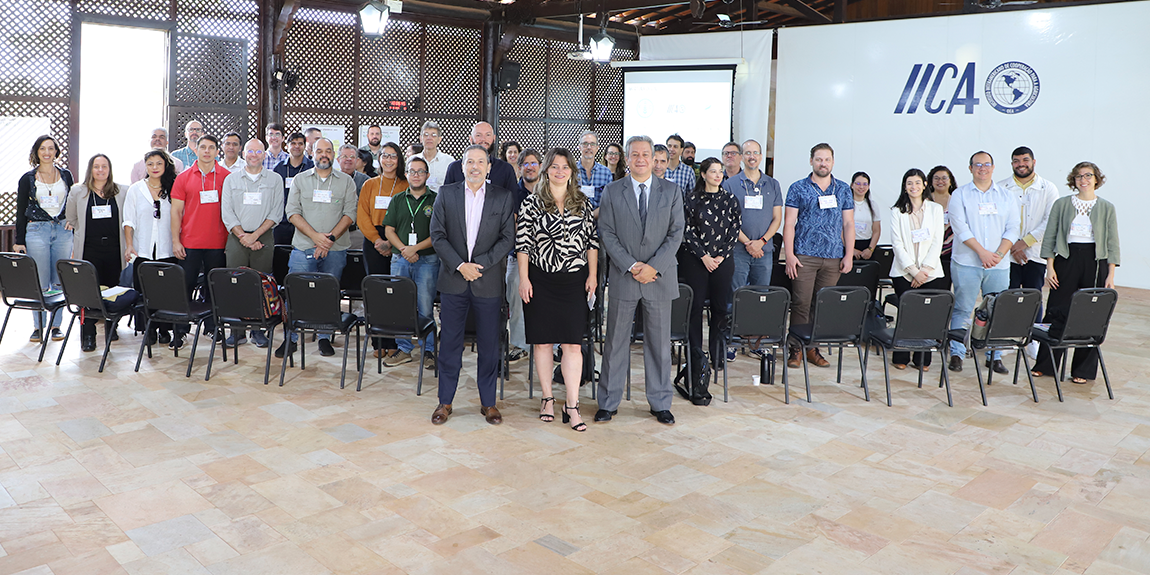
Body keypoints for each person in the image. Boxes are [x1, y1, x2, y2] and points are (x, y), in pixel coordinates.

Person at [597, 135, 685, 426]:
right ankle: (608, 402)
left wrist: (653, 267)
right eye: (634, 154)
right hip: (625, 276)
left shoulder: (671, 191)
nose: (641, 159)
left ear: (654, 157)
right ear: (627, 158)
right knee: (615, 342)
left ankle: (660, 403)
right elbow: (606, 233)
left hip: (658, 278)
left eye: (645, 154)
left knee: (659, 345)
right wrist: (633, 265)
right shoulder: (612, 190)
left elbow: (676, 234)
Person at [428, 145, 517, 426]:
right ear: (462, 165)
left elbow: (507, 238)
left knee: (489, 345)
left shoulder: (502, 197)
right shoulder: (447, 193)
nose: (475, 166)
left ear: (489, 167)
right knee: (450, 343)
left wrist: (478, 265)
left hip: (487, 281)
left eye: (481, 162)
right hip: (454, 280)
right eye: (470, 162)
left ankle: (488, 403)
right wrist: (460, 265)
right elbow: (437, 235)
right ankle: (445, 402)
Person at [516, 148, 598, 431]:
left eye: (565, 167)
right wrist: (523, 279)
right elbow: (523, 244)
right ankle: (548, 398)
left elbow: (592, 243)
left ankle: (572, 405)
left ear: (571, 172)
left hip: (575, 281)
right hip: (540, 280)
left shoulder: (583, 203)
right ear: (546, 170)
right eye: (554, 166)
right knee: (543, 342)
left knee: (573, 344)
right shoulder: (531, 203)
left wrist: (593, 276)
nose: (560, 171)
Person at [1031, 162, 1119, 384]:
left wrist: (1110, 275)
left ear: (1096, 179)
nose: (1084, 179)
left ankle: (1083, 370)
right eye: (1079, 176)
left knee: (1090, 314)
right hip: (1066, 259)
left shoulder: (1107, 207)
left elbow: (1112, 243)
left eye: (1088, 175)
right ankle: (1046, 365)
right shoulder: (1062, 204)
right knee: (1055, 310)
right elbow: (1050, 236)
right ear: (1074, 180)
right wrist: (1049, 267)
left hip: (1095, 261)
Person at [277, 138, 357, 359]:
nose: (324, 155)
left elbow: (350, 214)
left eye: (328, 151)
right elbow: (292, 212)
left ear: (334, 154)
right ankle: (291, 338)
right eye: (320, 151)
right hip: (304, 247)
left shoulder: (346, 182)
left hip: (336, 248)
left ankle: (324, 337)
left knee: (329, 294)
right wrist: (316, 238)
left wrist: (329, 240)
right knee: (296, 292)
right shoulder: (301, 180)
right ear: (312, 153)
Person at [946, 151, 1020, 375]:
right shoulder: (959, 195)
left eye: (986, 164)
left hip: (998, 264)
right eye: (977, 165)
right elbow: (960, 228)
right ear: (970, 168)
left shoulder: (1006, 196)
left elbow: (1013, 227)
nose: (982, 168)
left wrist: (997, 254)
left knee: (996, 310)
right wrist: (982, 253)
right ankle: (957, 353)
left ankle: (994, 355)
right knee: (962, 309)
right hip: (967, 262)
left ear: (993, 167)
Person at [783, 143, 855, 369]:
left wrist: (849, 255)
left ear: (833, 162)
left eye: (827, 159)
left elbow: (849, 223)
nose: (822, 163)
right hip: (804, 256)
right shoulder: (798, 188)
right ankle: (796, 349)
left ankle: (812, 348)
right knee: (801, 303)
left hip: (833, 257)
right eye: (818, 159)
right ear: (811, 161)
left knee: (821, 305)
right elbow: (789, 223)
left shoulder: (843, 189)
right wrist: (789, 255)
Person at [679, 158, 741, 385]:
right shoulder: (691, 199)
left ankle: (717, 354)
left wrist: (720, 256)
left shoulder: (730, 199)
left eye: (720, 171)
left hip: (722, 261)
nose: (718, 175)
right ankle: (695, 354)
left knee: (720, 308)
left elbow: (735, 229)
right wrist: (704, 257)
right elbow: (687, 230)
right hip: (696, 260)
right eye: (713, 171)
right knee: (694, 308)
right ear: (703, 174)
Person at [722, 139, 783, 358]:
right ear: (741, 156)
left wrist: (762, 242)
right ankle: (733, 341)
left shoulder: (772, 184)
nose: (751, 156)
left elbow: (777, 218)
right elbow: (728, 220)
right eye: (747, 153)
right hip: (738, 250)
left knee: (760, 297)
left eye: (755, 153)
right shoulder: (730, 184)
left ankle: (755, 342)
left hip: (764, 252)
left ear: (760, 156)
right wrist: (748, 242)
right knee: (735, 295)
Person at [220, 139, 284, 347]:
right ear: (243, 154)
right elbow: (227, 213)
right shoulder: (231, 179)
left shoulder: (274, 179)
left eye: (258, 151)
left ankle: (258, 330)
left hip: (263, 237)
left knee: (260, 285)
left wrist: (255, 236)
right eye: (250, 151)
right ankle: (236, 331)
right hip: (237, 237)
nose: (254, 155)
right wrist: (244, 237)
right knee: (235, 284)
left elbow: (276, 213)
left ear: (264, 154)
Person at [64, 154, 129, 352]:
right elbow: (71, 218)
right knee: (88, 293)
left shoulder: (122, 191)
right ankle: (88, 334)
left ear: (110, 170)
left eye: (104, 167)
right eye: (96, 166)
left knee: (111, 290)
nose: (100, 170)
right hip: (89, 249)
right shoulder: (78, 191)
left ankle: (112, 327)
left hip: (114, 250)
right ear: (90, 169)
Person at [999, 146, 1059, 359]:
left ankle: (1032, 339)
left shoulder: (1048, 188)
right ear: (1012, 163)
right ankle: (1007, 337)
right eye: (1016, 161)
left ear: (1034, 161)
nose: (1021, 164)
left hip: (1034, 252)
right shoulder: (1001, 187)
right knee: (1009, 295)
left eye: (1025, 160)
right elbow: (999, 221)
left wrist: (1024, 243)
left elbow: (1050, 220)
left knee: (1034, 296)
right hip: (1008, 254)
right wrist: (1013, 246)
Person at [171, 135, 230, 349]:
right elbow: (176, 211)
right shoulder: (184, 177)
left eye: (211, 148)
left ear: (217, 151)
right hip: (190, 243)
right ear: (196, 150)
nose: (206, 151)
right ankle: (180, 331)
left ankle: (213, 327)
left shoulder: (227, 177)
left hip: (218, 243)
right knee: (183, 287)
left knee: (214, 288)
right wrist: (176, 241)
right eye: (202, 147)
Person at [381, 157, 438, 371]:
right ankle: (404, 349)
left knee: (425, 306)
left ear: (427, 175)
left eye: (420, 171)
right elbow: (389, 230)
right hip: (400, 259)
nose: (416, 175)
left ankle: (429, 350)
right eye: (412, 171)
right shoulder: (397, 199)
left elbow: (438, 234)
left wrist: (415, 249)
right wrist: (405, 250)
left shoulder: (436, 199)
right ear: (407, 175)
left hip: (428, 260)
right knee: (400, 306)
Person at [15, 135, 73, 342]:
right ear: (36, 152)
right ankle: (38, 327)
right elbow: (21, 211)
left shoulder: (66, 175)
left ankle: (56, 326)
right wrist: (18, 240)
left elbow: (72, 202)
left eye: (50, 148)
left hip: (63, 232)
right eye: (42, 149)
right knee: (40, 281)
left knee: (59, 280)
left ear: (56, 151)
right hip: (36, 231)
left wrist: (72, 221)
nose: (47, 152)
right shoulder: (27, 179)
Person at [887, 168, 947, 370]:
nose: (914, 186)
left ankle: (923, 359)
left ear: (924, 185)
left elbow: (938, 241)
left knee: (926, 315)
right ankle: (901, 356)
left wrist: (924, 271)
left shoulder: (935, 209)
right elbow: (897, 244)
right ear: (905, 186)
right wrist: (914, 272)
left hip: (931, 273)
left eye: (917, 182)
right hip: (904, 272)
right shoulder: (897, 211)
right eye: (909, 183)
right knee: (907, 314)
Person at [356, 141, 408, 361]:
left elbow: (408, 217)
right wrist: (378, 240)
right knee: (377, 292)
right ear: (379, 159)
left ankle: (395, 340)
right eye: (385, 156)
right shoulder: (369, 184)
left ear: (399, 160)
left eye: (393, 156)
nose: (388, 160)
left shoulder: (406, 184)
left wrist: (391, 242)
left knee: (395, 293)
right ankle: (379, 339)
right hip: (373, 241)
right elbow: (362, 216)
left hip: (398, 240)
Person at [123, 150, 178, 346]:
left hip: (168, 249)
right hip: (143, 250)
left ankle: (165, 330)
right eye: (150, 164)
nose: (154, 168)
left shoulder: (174, 187)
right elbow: (128, 220)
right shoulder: (136, 189)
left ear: (165, 166)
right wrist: (130, 245)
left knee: (166, 292)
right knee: (144, 292)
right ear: (145, 167)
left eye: (158, 164)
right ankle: (148, 329)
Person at [505, 149, 542, 364]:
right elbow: (514, 227)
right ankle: (520, 345)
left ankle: (552, 344)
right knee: (517, 299)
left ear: (540, 166)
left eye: (534, 163)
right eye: (525, 163)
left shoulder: (548, 191)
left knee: (549, 301)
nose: (529, 167)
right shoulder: (512, 194)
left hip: (546, 257)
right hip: (517, 256)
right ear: (519, 168)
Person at [443, 122, 518, 192]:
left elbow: (513, 202)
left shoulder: (506, 169)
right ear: (470, 139)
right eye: (478, 135)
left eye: (488, 135)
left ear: (494, 138)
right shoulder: (455, 168)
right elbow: (446, 198)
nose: (483, 139)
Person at [272, 133, 313, 245]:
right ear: (287, 146)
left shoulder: (312, 167)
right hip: (282, 222)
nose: (297, 146)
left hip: (305, 222)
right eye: (293, 143)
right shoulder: (279, 168)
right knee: (280, 256)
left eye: (300, 143)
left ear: (305, 146)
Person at [926, 166, 957, 290]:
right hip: (928, 249)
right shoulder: (925, 201)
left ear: (950, 181)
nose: (940, 181)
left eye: (944, 178)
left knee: (944, 286)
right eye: (936, 178)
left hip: (951, 250)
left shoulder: (956, 199)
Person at [576, 131, 613, 209]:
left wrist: (593, 215)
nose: (589, 147)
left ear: (597, 148)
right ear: (579, 147)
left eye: (592, 144)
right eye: (585, 144)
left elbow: (609, 201)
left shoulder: (605, 173)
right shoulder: (571, 170)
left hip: (599, 218)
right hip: (574, 218)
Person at [412, 121, 453, 191]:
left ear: (439, 139)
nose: (429, 138)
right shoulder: (412, 160)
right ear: (421, 138)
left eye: (433, 135)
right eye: (426, 135)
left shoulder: (449, 161)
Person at [850, 172, 882, 260]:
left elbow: (876, 230)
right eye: (858, 184)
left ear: (868, 186)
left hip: (867, 246)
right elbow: (840, 230)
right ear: (852, 185)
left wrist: (870, 249)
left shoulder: (873, 205)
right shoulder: (846, 204)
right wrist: (851, 250)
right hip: (849, 245)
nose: (861, 187)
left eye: (865, 184)